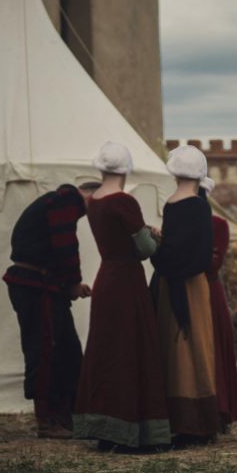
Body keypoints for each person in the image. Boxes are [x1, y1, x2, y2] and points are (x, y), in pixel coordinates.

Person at [72, 141, 171, 450]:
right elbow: (143, 250)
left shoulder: (93, 201)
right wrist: (156, 238)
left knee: (106, 353)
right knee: (130, 352)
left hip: (106, 279)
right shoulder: (124, 202)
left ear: (101, 168)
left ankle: (105, 430)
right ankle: (129, 434)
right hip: (127, 282)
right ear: (126, 170)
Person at [3, 182, 94, 439]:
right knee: (43, 350)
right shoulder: (65, 202)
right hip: (35, 287)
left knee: (67, 349)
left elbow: (51, 250)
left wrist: (68, 286)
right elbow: (65, 247)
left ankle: (66, 417)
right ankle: (47, 419)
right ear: (90, 197)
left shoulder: (57, 202)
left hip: (44, 285)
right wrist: (73, 281)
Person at [151, 145, 218, 443]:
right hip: (190, 284)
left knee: (185, 350)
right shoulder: (198, 205)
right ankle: (195, 421)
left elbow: (177, 252)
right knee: (192, 349)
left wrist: (157, 249)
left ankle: (193, 425)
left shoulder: (181, 204)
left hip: (180, 285)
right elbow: (191, 246)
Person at [200, 177, 237, 432]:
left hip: (208, 290)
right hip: (188, 289)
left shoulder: (218, 225)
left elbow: (213, 264)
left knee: (214, 346)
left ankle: (219, 410)